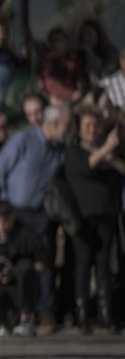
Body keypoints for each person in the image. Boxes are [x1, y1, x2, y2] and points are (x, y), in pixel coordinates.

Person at [0, 104, 69, 332]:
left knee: (45, 262)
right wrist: (4, 204)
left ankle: (46, 312)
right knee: (13, 261)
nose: (69, 129)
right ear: (54, 123)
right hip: (14, 211)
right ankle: (13, 313)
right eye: (67, 124)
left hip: (41, 214)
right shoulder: (23, 139)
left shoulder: (59, 149)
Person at [63, 107, 123, 333]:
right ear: (79, 129)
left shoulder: (106, 152)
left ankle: (106, 314)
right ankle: (82, 316)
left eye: (94, 125)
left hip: (106, 215)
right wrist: (107, 146)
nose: (91, 129)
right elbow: (87, 166)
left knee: (104, 265)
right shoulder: (74, 151)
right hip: (82, 218)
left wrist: (111, 155)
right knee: (83, 265)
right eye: (87, 125)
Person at [0, 201, 47, 336]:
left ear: (13, 217)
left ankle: (26, 319)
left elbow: (42, 264)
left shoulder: (26, 234)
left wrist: (15, 269)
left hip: (20, 288)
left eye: (6, 221)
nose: (2, 226)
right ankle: (3, 322)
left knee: (25, 267)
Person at [37, 28, 84, 103]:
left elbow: (79, 79)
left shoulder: (72, 58)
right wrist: (50, 99)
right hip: (53, 102)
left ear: (65, 42)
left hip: (72, 99)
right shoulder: (45, 61)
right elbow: (40, 85)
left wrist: (79, 94)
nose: (57, 44)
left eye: (60, 40)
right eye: (54, 41)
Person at [78, 19, 119, 90]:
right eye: (83, 35)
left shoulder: (109, 51)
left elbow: (106, 75)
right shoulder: (81, 55)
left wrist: (90, 55)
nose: (86, 38)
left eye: (89, 34)